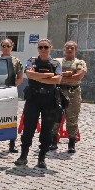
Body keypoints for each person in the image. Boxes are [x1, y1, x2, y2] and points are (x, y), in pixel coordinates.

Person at [15, 39, 62, 169]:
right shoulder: (32, 61)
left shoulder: (56, 63)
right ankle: (23, 156)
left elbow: (57, 79)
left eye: (46, 47)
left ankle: (41, 158)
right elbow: (29, 75)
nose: (43, 49)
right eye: (40, 47)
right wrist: (49, 76)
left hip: (49, 99)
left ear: (51, 48)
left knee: (47, 129)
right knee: (28, 127)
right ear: (38, 48)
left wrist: (38, 76)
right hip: (33, 98)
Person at [51, 41, 87, 154]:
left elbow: (78, 77)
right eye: (67, 47)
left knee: (72, 119)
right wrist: (68, 74)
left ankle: (71, 143)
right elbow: (52, 74)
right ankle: (53, 141)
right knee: (55, 117)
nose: (69, 50)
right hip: (58, 91)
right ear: (64, 49)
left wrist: (61, 76)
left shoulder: (80, 62)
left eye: (72, 48)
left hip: (73, 93)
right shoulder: (57, 61)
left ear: (76, 49)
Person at [0, 38, 24, 153]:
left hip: (11, 92)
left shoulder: (16, 61)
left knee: (12, 117)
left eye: (8, 46)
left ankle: (12, 143)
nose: (6, 48)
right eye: (3, 46)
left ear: (12, 47)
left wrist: (12, 87)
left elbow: (20, 78)